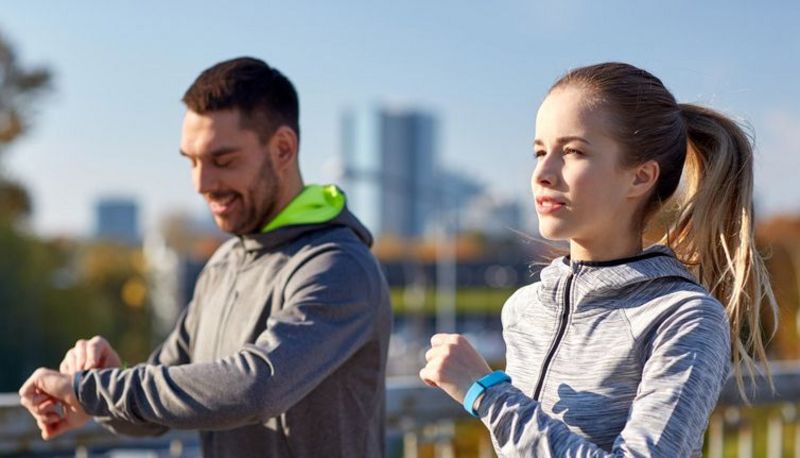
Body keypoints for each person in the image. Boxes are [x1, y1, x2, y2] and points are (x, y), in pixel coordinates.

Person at [18, 57, 393, 458]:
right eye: (192, 161)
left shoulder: (338, 266)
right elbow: (164, 402)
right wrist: (100, 385)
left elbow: (255, 388)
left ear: (283, 149)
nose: (201, 183)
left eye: (223, 160)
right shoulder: (222, 266)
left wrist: (92, 393)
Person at [419, 62, 778, 456]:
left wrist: (486, 394)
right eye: (539, 151)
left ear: (640, 177)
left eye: (572, 151)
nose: (542, 172)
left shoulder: (684, 316)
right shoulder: (523, 310)